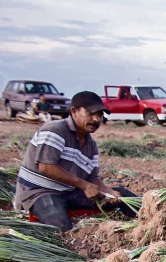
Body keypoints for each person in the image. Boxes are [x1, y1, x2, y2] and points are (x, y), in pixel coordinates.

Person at [13, 91, 137, 231]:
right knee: (61, 228)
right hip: (40, 192)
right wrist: (84, 186)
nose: (96, 119)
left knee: (123, 194)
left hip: (69, 192)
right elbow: (46, 167)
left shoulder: (91, 145)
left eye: (100, 115)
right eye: (91, 114)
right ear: (74, 111)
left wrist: (108, 191)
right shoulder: (55, 130)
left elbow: (92, 177)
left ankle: (152, 220)